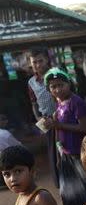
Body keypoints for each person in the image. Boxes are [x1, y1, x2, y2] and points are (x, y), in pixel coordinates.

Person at [42, 68, 86, 205]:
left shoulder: (77, 102)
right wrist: (60, 155)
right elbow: (58, 132)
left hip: (79, 153)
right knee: (68, 193)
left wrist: (58, 124)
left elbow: (84, 127)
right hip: (66, 154)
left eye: (61, 85)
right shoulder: (59, 104)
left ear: (69, 84)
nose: (57, 89)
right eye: (53, 87)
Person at [27, 48, 59, 188]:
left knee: (65, 147)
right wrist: (38, 120)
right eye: (34, 62)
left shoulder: (55, 74)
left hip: (61, 116)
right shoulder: (31, 82)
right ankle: (58, 180)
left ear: (47, 60)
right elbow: (34, 103)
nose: (38, 65)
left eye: (40, 61)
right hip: (45, 120)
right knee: (52, 149)